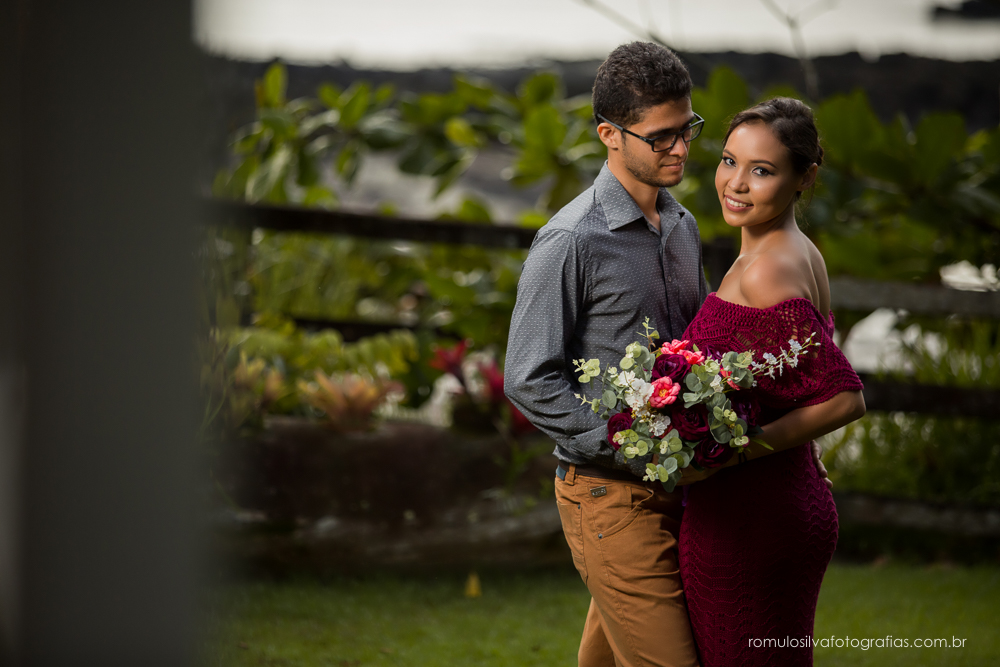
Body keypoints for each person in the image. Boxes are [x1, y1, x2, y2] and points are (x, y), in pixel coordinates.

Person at [504, 43, 831, 667]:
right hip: (609, 496)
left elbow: (705, 356)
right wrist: (632, 443)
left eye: (688, 130)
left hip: (685, 491)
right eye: (661, 138)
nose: (682, 149)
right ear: (609, 134)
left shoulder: (680, 225)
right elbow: (527, 378)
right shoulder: (569, 242)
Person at [677, 97, 866, 667]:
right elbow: (791, 379)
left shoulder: (770, 268)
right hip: (778, 502)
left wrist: (735, 452)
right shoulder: (795, 250)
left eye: (761, 171)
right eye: (729, 161)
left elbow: (843, 397)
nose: (736, 183)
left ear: (805, 176)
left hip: (750, 525)